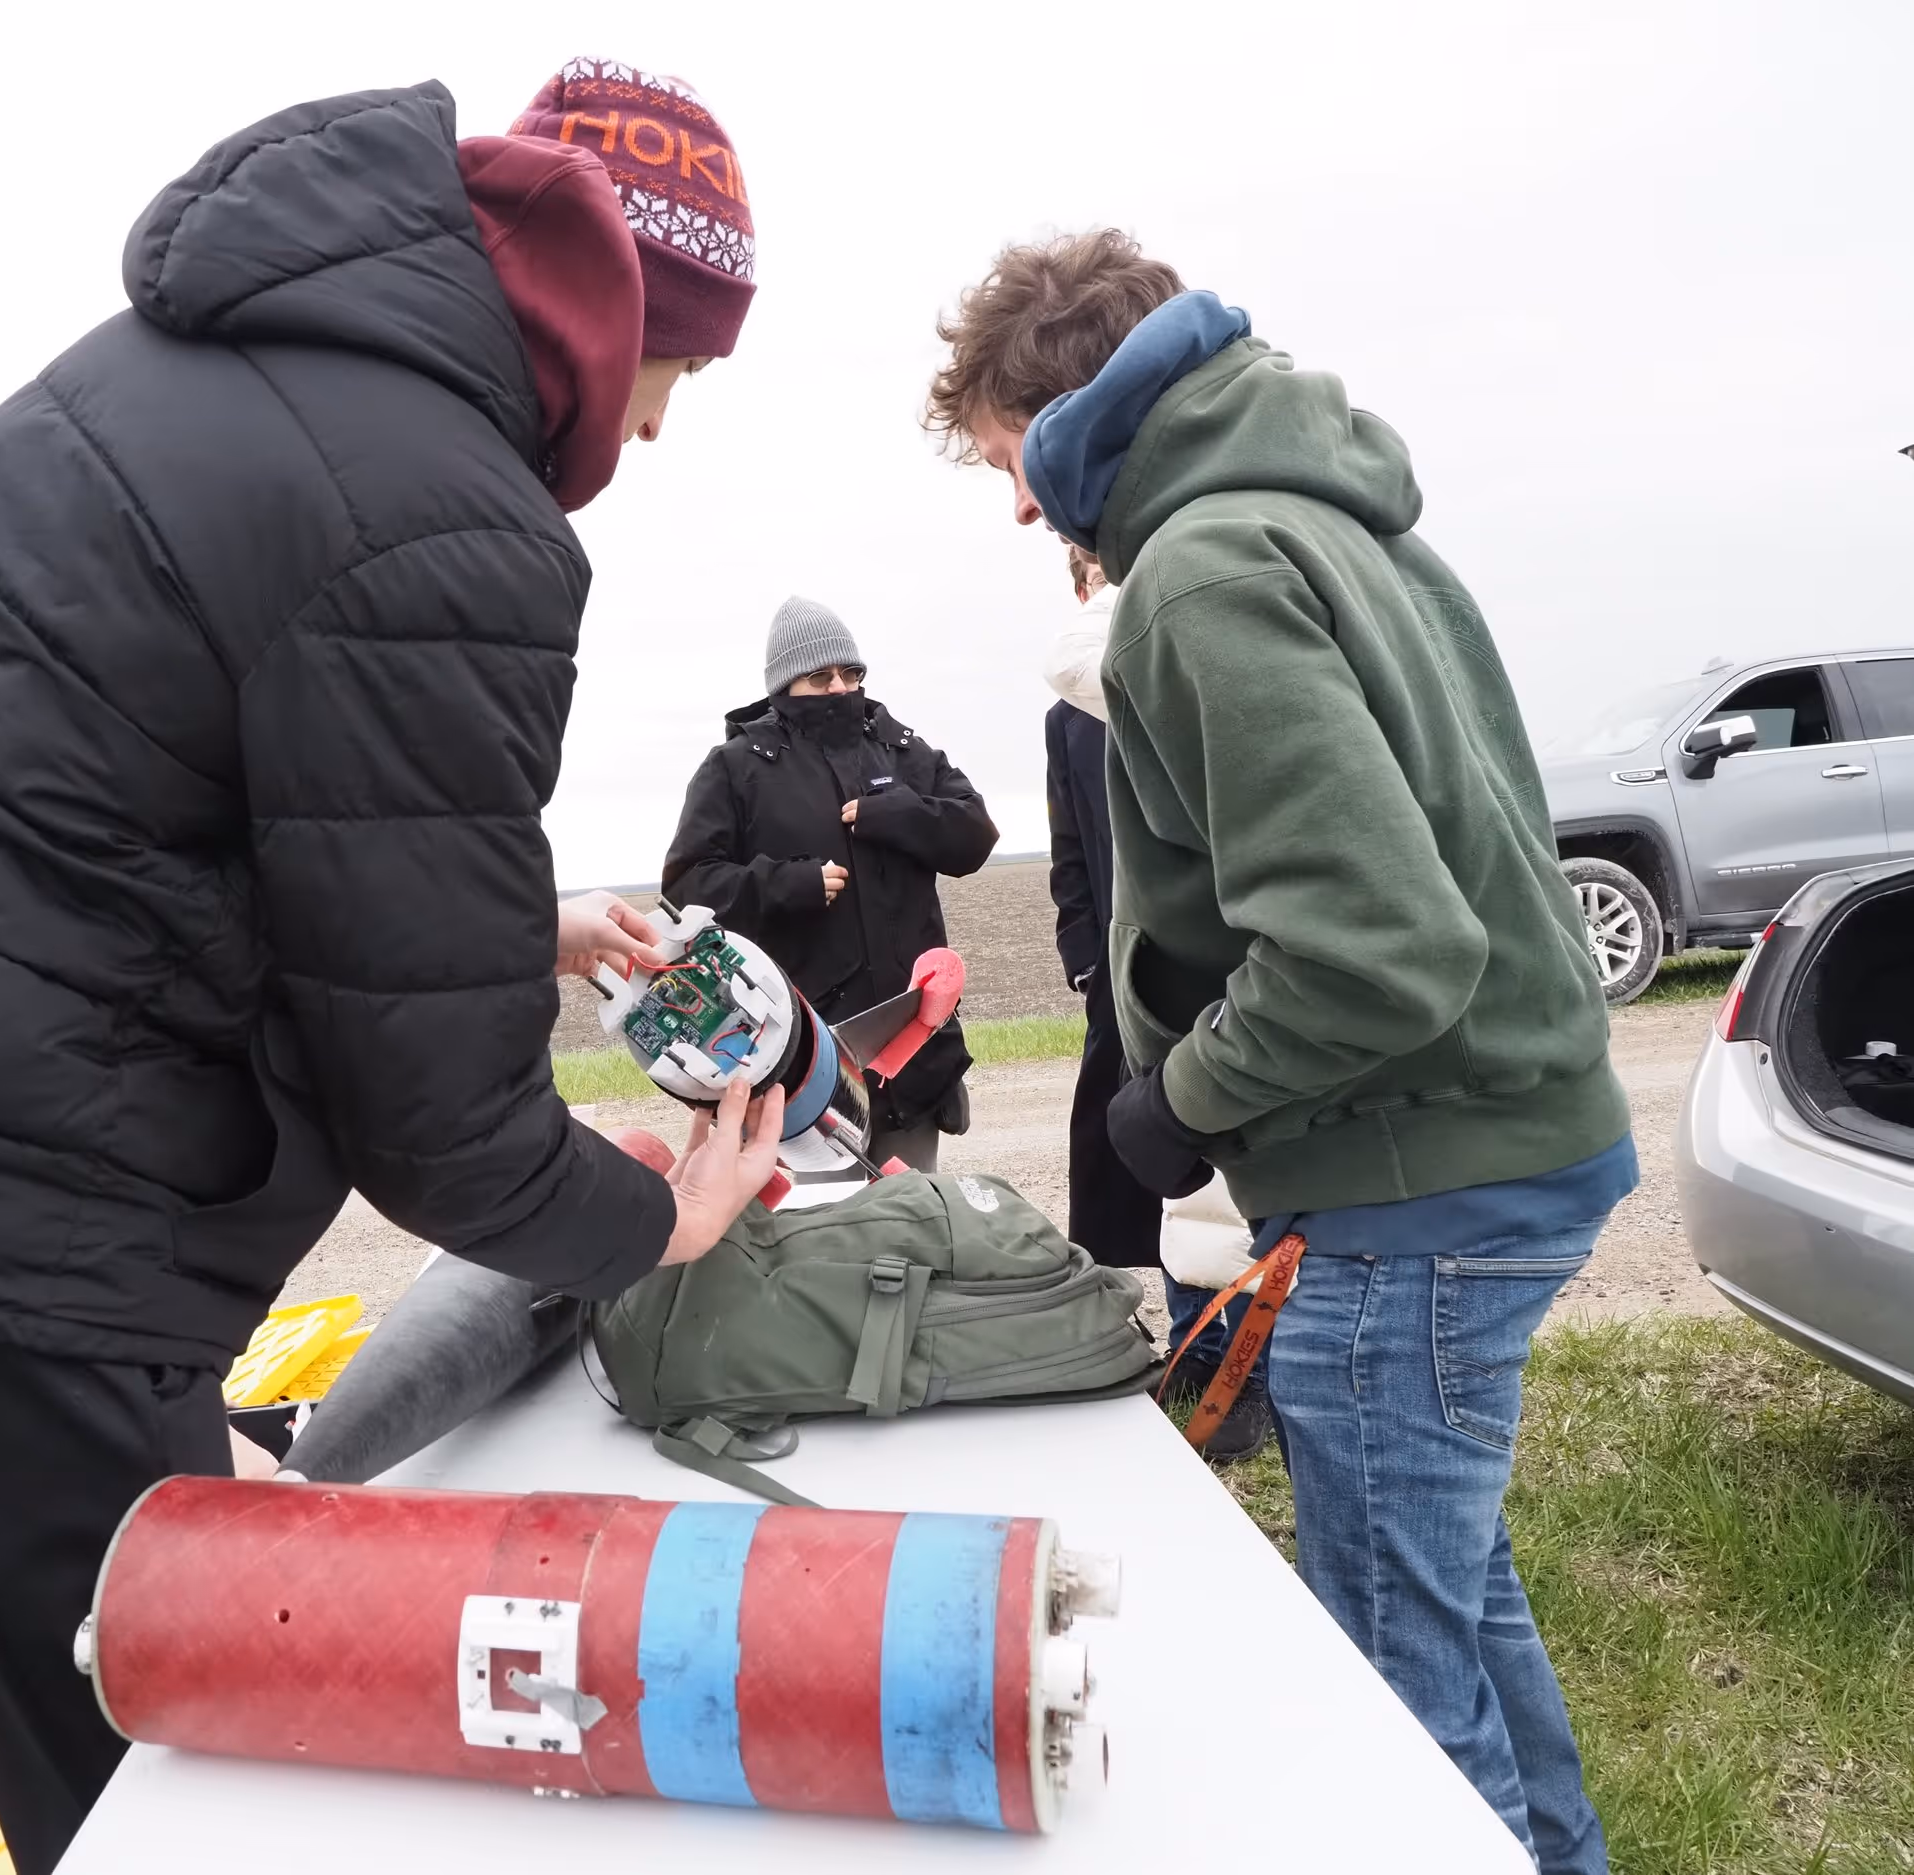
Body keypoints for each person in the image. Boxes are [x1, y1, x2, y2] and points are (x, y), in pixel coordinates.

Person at [0, 64, 782, 1875]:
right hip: (15, 1226)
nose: (664, 427)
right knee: (155, 1796)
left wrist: (510, 931)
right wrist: (661, 1225)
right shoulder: (454, 510)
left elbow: (113, 795)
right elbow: (447, 1133)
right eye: (681, 372)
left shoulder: (191, 360)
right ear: (619, 311)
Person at [929, 229, 1633, 1875]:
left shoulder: (1206, 572)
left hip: (1422, 1183)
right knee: (1446, 1598)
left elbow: (1381, 946)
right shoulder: (1325, 517)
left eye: (1006, 466)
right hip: (1499, 1135)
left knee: (1392, 1680)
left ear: (1068, 414)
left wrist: (1177, 1102)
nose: (1024, 511)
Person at [1044, 546, 1270, 1464]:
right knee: (1158, 1167)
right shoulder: (1067, 712)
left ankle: (1239, 1364)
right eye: (1084, 569)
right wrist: (1086, 966)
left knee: (1222, 1167)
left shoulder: (1191, 667)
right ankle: (1197, 1349)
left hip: (1218, 957)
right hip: (1122, 976)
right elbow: (1070, 848)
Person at [661, 598, 999, 1171]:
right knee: (813, 1242)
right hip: (795, 1061)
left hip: (912, 1054)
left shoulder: (901, 749)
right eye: (821, 677)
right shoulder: (736, 768)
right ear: (785, 683)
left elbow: (975, 835)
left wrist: (896, 813)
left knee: (909, 1232)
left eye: (852, 674)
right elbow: (686, 888)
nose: (841, 688)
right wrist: (785, 885)